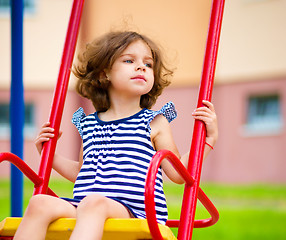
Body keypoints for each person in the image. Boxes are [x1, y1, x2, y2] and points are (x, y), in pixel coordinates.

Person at [14, 31, 218, 240]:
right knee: (39, 202)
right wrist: (49, 155)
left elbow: (177, 174)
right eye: (129, 60)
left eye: (148, 64)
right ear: (104, 74)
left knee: (94, 203)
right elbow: (81, 173)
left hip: (136, 212)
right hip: (87, 206)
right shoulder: (90, 124)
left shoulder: (154, 122)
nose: (141, 67)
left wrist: (207, 141)